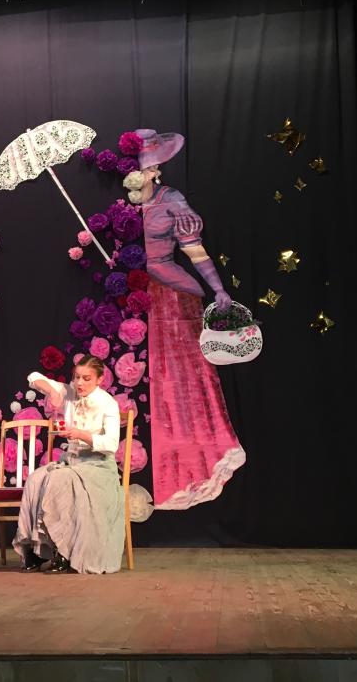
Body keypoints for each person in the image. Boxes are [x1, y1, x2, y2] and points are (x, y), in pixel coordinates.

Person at [125, 129, 245, 510]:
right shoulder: (123, 207)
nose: (145, 173)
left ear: (154, 171)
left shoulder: (171, 201)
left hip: (172, 295)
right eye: (140, 168)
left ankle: (193, 465)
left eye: (148, 168)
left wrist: (218, 288)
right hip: (137, 297)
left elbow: (195, 251)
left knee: (182, 379)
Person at [13, 355, 124, 575]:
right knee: (36, 478)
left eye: (86, 378)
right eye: (77, 377)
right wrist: (53, 392)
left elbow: (111, 444)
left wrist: (80, 434)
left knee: (60, 479)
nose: (80, 383)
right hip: (71, 462)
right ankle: (36, 548)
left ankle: (63, 551)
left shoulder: (108, 404)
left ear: (100, 379)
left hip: (98, 466)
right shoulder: (70, 392)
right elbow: (33, 377)